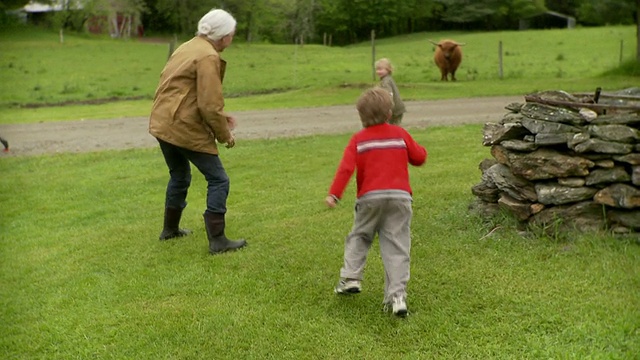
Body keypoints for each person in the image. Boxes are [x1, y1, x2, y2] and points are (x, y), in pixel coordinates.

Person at [148, 8, 246, 254]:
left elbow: (186, 91)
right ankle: (218, 240)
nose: (231, 39)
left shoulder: (188, 46)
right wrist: (225, 135)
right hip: (183, 126)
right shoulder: (208, 56)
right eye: (232, 34)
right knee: (219, 179)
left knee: (179, 175)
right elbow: (209, 105)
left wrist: (221, 117)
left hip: (163, 121)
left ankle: (170, 230)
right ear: (223, 36)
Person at [324, 87, 427, 317]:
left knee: (360, 236)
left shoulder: (358, 140)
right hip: (400, 198)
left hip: (369, 198)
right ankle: (397, 297)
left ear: (361, 117)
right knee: (397, 245)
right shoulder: (400, 134)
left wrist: (334, 194)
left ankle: (351, 278)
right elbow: (419, 158)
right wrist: (420, 150)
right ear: (389, 113)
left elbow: (346, 169)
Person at [375, 58, 406, 125]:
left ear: (388, 70)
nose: (378, 71)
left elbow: (389, 95)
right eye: (377, 69)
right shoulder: (388, 79)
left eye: (381, 69)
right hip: (397, 109)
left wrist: (388, 109)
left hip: (394, 111)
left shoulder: (386, 82)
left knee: (392, 128)